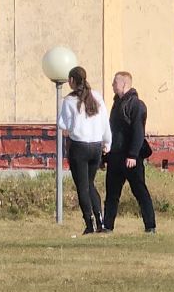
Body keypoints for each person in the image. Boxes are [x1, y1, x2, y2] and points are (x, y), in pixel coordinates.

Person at [99, 71, 157, 234]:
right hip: (115, 156)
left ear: (124, 84)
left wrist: (133, 154)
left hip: (131, 158)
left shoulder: (136, 105)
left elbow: (138, 132)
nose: (112, 86)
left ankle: (150, 226)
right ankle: (107, 226)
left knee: (139, 191)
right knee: (112, 194)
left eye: (114, 83)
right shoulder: (116, 104)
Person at [57, 65, 110, 236]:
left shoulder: (69, 101)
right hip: (96, 146)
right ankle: (100, 220)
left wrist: (71, 127)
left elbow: (63, 124)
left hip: (79, 146)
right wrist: (107, 142)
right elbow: (105, 122)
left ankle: (89, 223)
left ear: (71, 81)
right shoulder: (97, 97)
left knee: (82, 187)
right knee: (90, 183)